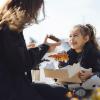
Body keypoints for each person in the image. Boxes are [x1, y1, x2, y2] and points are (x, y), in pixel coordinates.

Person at [0, 0, 67, 100]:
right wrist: (45, 47)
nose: (36, 13)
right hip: (11, 90)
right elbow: (23, 64)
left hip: (13, 85)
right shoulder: (10, 28)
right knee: (64, 94)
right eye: (37, 9)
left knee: (61, 91)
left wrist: (27, 50)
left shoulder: (5, 25)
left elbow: (11, 57)